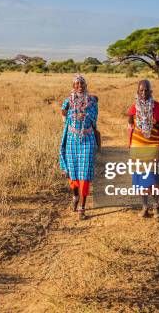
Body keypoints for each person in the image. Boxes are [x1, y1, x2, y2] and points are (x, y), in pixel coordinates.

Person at [59, 74, 99, 220]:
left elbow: (95, 120)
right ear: (73, 86)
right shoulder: (67, 101)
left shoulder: (92, 101)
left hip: (87, 139)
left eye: (81, 84)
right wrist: (70, 116)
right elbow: (63, 113)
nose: (79, 86)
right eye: (76, 84)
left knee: (85, 173)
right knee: (73, 172)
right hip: (71, 139)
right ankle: (75, 196)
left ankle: (82, 207)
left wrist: (86, 116)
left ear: (85, 85)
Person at [127, 79, 159, 218]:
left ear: (151, 91)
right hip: (137, 147)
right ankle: (144, 207)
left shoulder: (157, 107)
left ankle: (156, 207)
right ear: (137, 92)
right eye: (141, 90)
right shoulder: (133, 108)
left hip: (153, 146)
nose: (144, 93)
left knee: (153, 177)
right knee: (139, 178)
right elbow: (130, 125)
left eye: (146, 90)